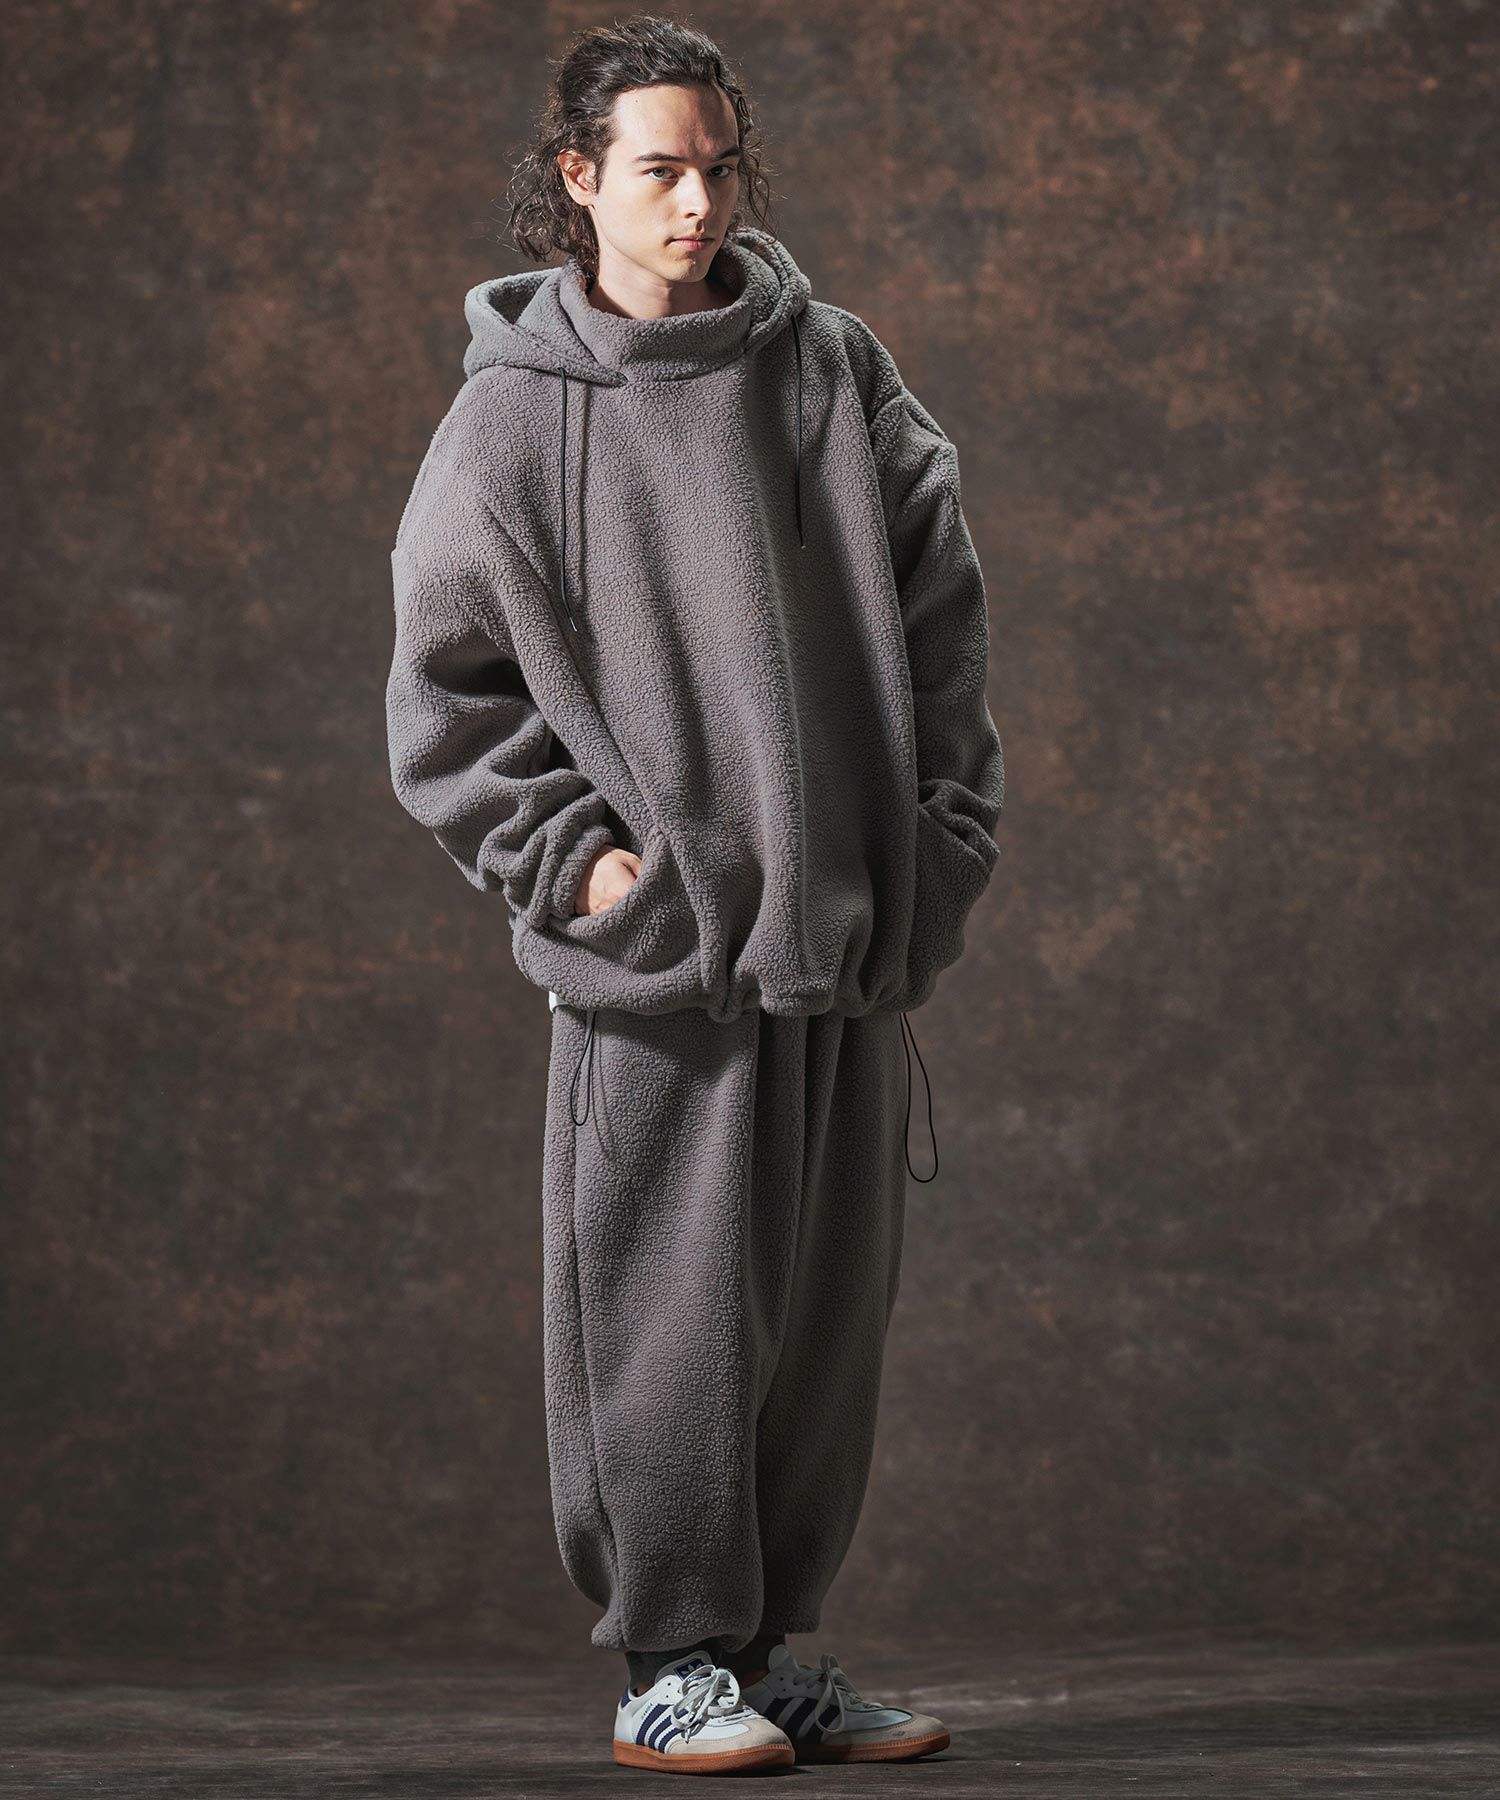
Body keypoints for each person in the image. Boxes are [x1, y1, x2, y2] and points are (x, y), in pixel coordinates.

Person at [385, 14, 1004, 1776]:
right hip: (663, 966)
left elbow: (944, 609)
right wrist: (587, 872)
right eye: (661, 170)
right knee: (665, 1330)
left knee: (814, 1336)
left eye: (722, 168)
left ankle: (764, 1654)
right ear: (578, 178)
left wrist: (936, 846)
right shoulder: (517, 419)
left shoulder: (830, 367)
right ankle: (668, 1660)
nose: (699, 203)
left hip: (845, 944)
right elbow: (446, 703)